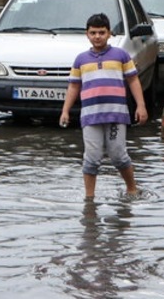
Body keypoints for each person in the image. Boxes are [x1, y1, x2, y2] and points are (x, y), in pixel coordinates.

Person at [58, 13, 148, 200]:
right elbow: (74, 85)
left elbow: (133, 80)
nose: (97, 36)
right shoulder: (81, 60)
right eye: (93, 33)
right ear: (87, 35)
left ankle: (132, 189)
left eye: (101, 32)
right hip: (90, 116)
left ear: (109, 34)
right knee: (91, 158)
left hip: (116, 115)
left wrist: (141, 106)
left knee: (118, 155)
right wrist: (65, 110)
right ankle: (89, 198)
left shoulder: (121, 55)